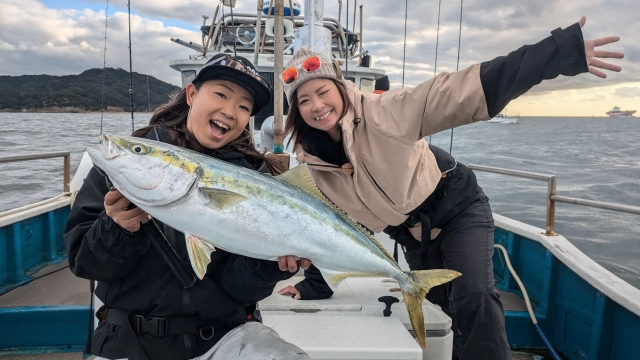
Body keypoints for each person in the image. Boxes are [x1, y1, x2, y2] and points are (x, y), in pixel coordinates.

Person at [276, 17, 623, 360]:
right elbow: (332, 226)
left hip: (457, 205)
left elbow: (460, 90)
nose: (317, 105)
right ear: (296, 111)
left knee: (474, 295)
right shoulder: (314, 164)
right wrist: (315, 286)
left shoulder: (387, 112)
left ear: (340, 88)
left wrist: (560, 51)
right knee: (440, 306)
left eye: (322, 91)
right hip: (411, 232)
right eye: (303, 100)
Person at [64, 54, 312, 360]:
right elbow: (86, 265)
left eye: (244, 106)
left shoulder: (254, 177)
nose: (230, 111)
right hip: (128, 340)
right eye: (221, 94)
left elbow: (238, 288)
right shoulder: (123, 168)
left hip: (227, 336)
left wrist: (270, 264)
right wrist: (116, 229)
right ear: (192, 94)